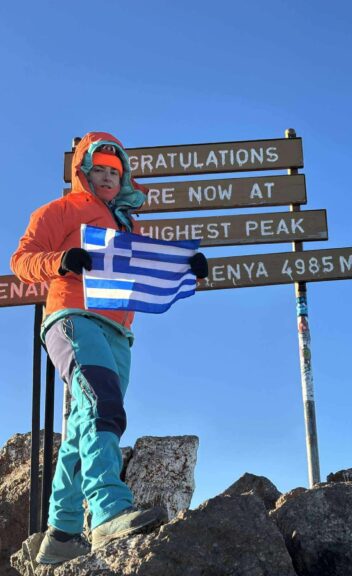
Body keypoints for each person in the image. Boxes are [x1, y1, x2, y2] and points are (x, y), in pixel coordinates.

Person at [11, 132, 209, 564]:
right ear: (82, 171)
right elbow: (22, 258)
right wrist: (60, 260)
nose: (105, 177)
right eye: (97, 169)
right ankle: (107, 512)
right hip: (72, 319)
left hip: (119, 332)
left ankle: (61, 535)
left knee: (84, 425)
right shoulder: (61, 210)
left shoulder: (127, 224)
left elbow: (146, 264)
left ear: (124, 178)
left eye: (113, 172)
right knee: (104, 405)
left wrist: (185, 266)